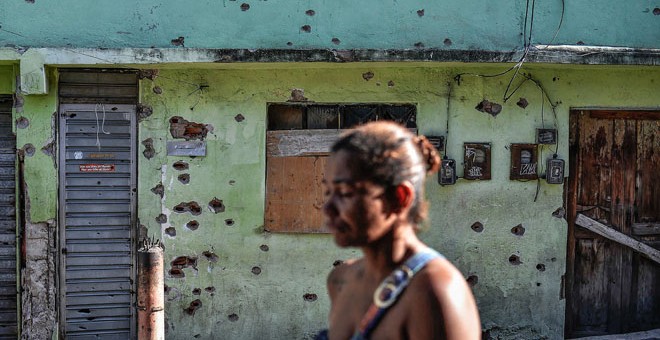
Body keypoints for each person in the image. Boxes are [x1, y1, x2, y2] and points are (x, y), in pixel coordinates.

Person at [318, 121, 481, 340]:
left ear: (399, 198)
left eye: (346, 192)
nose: (328, 208)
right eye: (328, 191)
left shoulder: (434, 290)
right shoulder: (341, 281)